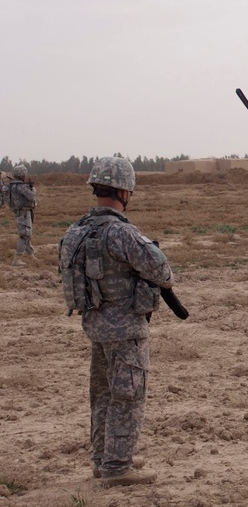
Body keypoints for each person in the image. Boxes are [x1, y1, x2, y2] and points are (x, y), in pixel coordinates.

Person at [58, 156, 174, 486]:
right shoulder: (122, 233)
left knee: (103, 395)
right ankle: (118, 466)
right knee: (128, 395)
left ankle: (102, 458)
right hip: (126, 329)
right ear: (124, 191)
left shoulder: (75, 231)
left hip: (95, 326)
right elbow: (163, 273)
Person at [6, 164, 37, 266]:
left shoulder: (11, 185)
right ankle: (17, 258)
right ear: (22, 174)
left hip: (18, 211)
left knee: (28, 233)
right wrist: (33, 190)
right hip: (23, 212)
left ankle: (30, 253)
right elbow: (31, 197)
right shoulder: (21, 186)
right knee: (25, 234)